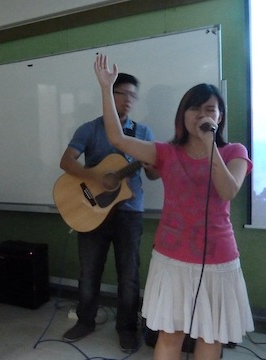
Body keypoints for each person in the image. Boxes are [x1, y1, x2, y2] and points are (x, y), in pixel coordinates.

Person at [93, 54, 254, 360]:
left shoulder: (234, 151)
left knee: (211, 335)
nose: (201, 114)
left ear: (219, 117)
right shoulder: (166, 153)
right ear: (182, 115)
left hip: (217, 259)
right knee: (170, 333)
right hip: (172, 258)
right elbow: (116, 137)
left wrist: (209, 145)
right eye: (194, 108)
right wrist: (106, 88)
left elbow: (227, 190)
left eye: (210, 109)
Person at [59, 71, 159, 352]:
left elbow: (152, 176)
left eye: (133, 96)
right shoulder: (89, 129)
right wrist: (94, 177)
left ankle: (127, 329)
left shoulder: (143, 133)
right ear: (109, 95)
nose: (129, 100)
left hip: (130, 212)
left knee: (129, 275)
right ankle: (85, 321)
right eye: (122, 93)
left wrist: (154, 166)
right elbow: (66, 162)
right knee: (89, 272)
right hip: (91, 210)